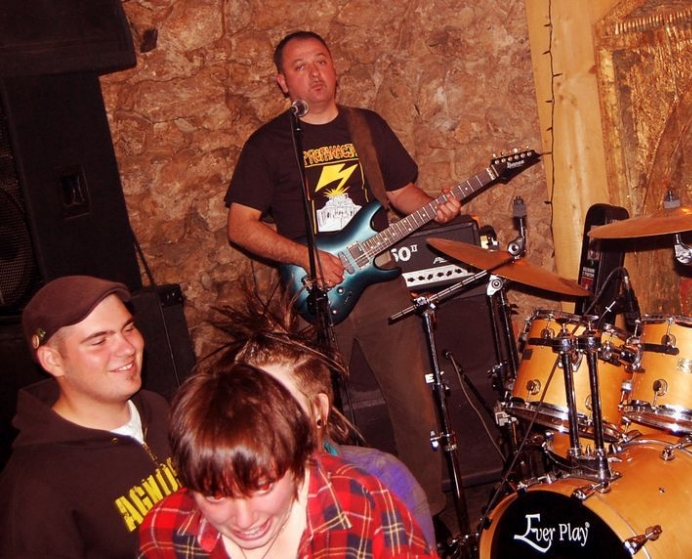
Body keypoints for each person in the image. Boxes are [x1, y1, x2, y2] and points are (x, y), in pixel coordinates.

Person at [225, 30, 459, 523]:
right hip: (313, 294)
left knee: (416, 405)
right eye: (300, 66)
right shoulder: (268, 143)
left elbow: (400, 194)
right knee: (313, 415)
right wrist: (303, 256)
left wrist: (435, 207)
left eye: (321, 61)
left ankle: (426, 514)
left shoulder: (366, 126)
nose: (314, 73)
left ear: (334, 69)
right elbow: (240, 226)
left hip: (382, 285)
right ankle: (328, 517)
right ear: (282, 82)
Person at [205, 278, 437, 551]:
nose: (272, 427)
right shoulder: (203, 510)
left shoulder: (383, 479)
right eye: (256, 412)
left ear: (320, 409)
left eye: (286, 408)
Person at [137, 362, 434, 558]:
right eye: (215, 496)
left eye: (263, 487)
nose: (244, 520)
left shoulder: (360, 503)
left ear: (298, 458)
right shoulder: (166, 531)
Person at [0, 275, 178, 558]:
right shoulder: (36, 485)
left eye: (128, 328)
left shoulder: (156, 408)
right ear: (53, 360)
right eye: (99, 341)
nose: (128, 348)